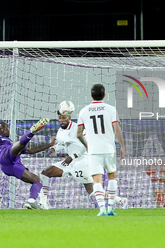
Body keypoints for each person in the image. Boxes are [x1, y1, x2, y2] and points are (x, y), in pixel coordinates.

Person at [39, 102, 128, 210]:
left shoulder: (77, 128)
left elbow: (87, 145)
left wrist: (73, 156)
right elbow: (62, 144)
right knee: (45, 173)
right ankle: (43, 203)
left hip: (82, 162)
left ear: (69, 117)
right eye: (60, 118)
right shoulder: (60, 131)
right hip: (69, 163)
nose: (61, 120)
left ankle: (119, 200)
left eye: (63, 118)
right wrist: (54, 148)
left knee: (92, 191)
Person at [77, 84, 125, 216]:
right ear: (104, 95)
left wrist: (87, 145)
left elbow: (79, 134)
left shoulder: (84, 111)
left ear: (91, 95)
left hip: (93, 150)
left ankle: (102, 209)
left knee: (96, 181)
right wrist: (122, 146)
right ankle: (110, 208)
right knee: (112, 177)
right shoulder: (111, 109)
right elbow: (117, 129)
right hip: (109, 148)